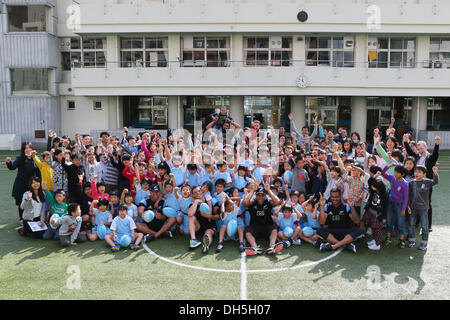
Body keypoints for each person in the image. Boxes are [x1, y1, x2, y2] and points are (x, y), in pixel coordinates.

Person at [242, 182, 283, 256]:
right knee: (247, 232)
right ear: (256, 196)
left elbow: (277, 201)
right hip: (255, 227)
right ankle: (254, 247)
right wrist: (253, 191)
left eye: (262, 195)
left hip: (267, 226)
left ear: (265, 196)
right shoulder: (252, 202)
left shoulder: (268, 202)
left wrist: (269, 191)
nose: (260, 197)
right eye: (258, 195)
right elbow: (245, 202)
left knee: (274, 229)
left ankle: (272, 247)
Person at [317, 189, 363, 253]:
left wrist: (351, 206)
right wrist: (322, 206)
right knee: (320, 230)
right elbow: (321, 222)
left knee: (359, 230)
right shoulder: (326, 207)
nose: (334, 199)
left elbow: (357, 221)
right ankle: (345, 245)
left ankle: (333, 246)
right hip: (331, 233)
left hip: (345, 232)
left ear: (340, 196)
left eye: (336, 197)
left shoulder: (346, 206)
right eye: (332, 197)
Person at [6, 142, 40, 223]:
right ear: (23, 150)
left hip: (32, 185)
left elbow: (38, 171)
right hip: (21, 184)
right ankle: (21, 219)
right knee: (22, 202)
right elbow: (12, 167)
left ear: (32, 148)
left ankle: (31, 217)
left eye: (29, 147)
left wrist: (39, 182)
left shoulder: (34, 158)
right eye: (26, 148)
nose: (28, 149)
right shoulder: (20, 158)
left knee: (32, 202)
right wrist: (8, 162)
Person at [407, 166, 439, 251]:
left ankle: (424, 243)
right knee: (411, 225)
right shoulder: (411, 183)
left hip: (423, 208)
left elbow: (435, 182)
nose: (416, 173)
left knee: (424, 226)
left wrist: (435, 173)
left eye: (419, 172)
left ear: (424, 174)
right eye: (415, 172)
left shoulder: (427, 182)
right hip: (413, 208)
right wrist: (408, 206)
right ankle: (411, 240)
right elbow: (409, 196)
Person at [381, 163, 409, 248]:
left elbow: (406, 197)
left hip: (399, 205)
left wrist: (403, 209)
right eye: (395, 171)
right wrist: (389, 166)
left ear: (402, 174)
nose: (395, 173)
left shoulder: (405, 184)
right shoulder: (392, 178)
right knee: (389, 221)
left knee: (400, 222)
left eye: (397, 172)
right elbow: (383, 173)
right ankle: (388, 238)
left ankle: (401, 240)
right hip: (391, 203)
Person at [187, 186, 220, 253]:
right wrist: (196, 202)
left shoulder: (211, 201)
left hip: (210, 226)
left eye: (199, 191)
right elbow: (190, 214)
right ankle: (193, 240)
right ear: (193, 195)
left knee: (208, 233)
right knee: (191, 217)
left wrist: (209, 216)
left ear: (202, 191)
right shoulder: (193, 204)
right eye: (195, 193)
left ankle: (206, 245)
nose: (198, 193)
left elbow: (219, 216)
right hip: (199, 227)